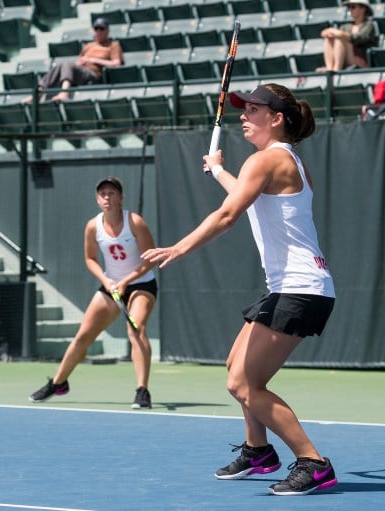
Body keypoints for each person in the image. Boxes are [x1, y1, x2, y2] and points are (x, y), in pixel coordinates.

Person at [141, 83, 337, 496]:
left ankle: (314, 463)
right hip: (292, 287)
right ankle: (259, 451)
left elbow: (230, 214)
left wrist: (180, 246)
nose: (243, 117)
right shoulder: (284, 161)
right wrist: (217, 170)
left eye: (252, 110)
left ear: (277, 118)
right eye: (242, 110)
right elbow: (247, 196)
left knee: (244, 384)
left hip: (300, 288)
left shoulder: (267, 160)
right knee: (237, 369)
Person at [29, 177, 158, 409]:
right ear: (98, 199)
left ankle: (142, 391)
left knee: (136, 330)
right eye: (102, 194)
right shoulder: (93, 226)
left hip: (141, 285)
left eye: (112, 193)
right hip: (110, 287)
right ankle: (58, 383)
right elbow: (90, 259)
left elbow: (150, 258)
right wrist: (107, 280)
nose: (107, 197)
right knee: (83, 336)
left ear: (121, 198)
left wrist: (126, 280)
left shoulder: (135, 222)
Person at [23, 17, 123, 103]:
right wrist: (81, 62)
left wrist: (94, 60)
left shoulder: (113, 45)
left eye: (101, 28)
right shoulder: (89, 46)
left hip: (93, 75)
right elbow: (78, 62)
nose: (99, 31)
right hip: (80, 72)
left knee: (67, 65)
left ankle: (64, 93)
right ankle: (38, 92)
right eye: (96, 28)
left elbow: (116, 63)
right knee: (59, 66)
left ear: (107, 30)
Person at [318, 0, 377, 72]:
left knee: (341, 38)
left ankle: (336, 69)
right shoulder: (346, 26)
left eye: (353, 7)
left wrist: (341, 34)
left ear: (363, 9)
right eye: (349, 7)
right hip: (346, 59)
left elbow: (360, 38)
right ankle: (330, 68)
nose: (350, 10)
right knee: (330, 38)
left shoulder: (368, 25)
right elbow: (329, 34)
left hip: (359, 60)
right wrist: (327, 33)